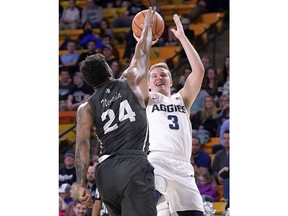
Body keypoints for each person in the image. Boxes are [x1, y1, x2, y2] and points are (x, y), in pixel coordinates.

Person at [75, 8, 157, 216]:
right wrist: (147, 26)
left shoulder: (85, 107)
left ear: (89, 83)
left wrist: (82, 184)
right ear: (110, 71)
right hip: (133, 166)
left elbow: (82, 145)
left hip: (106, 173)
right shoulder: (129, 80)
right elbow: (142, 51)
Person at [147, 14, 205, 215]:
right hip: (157, 161)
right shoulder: (146, 99)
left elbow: (198, 71)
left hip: (183, 166)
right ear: (148, 84)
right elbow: (134, 74)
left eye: (163, 75)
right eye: (153, 76)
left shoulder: (183, 98)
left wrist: (182, 37)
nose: (159, 77)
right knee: (143, 207)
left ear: (171, 81)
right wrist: (144, 42)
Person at [211, 130, 229, 202]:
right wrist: (218, 176)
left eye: (229, 138)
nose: (226, 141)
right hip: (220, 178)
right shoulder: (219, 154)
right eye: (224, 138)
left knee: (227, 178)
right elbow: (214, 170)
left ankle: (227, 199)